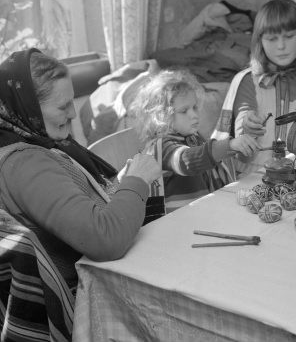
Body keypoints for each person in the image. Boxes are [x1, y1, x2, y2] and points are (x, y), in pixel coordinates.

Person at [0, 48, 162, 290]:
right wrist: (136, 182)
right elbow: (105, 240)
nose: (73, 113)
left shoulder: (39, 142)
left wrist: (121, 182)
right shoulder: (25, 164)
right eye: (63, 106)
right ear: (28, 108)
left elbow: (73, 200)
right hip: (85, 294)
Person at [212, 0, 296, 171]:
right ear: (260, 41)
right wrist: (248, 130)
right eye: (271, 39)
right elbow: (242, 156)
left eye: (289, 36)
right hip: (254, 183)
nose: (281, 46)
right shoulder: (247, 82)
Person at [130, 69, 259, 218]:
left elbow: (209, 160)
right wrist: (228, 145)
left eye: (195, 107)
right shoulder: (161, 147)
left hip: (202, 213)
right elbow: (187, 161)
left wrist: (236, 148)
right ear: (161, 116)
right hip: (177, 223)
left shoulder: (192, 137)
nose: (194, 115)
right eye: (184, 111)